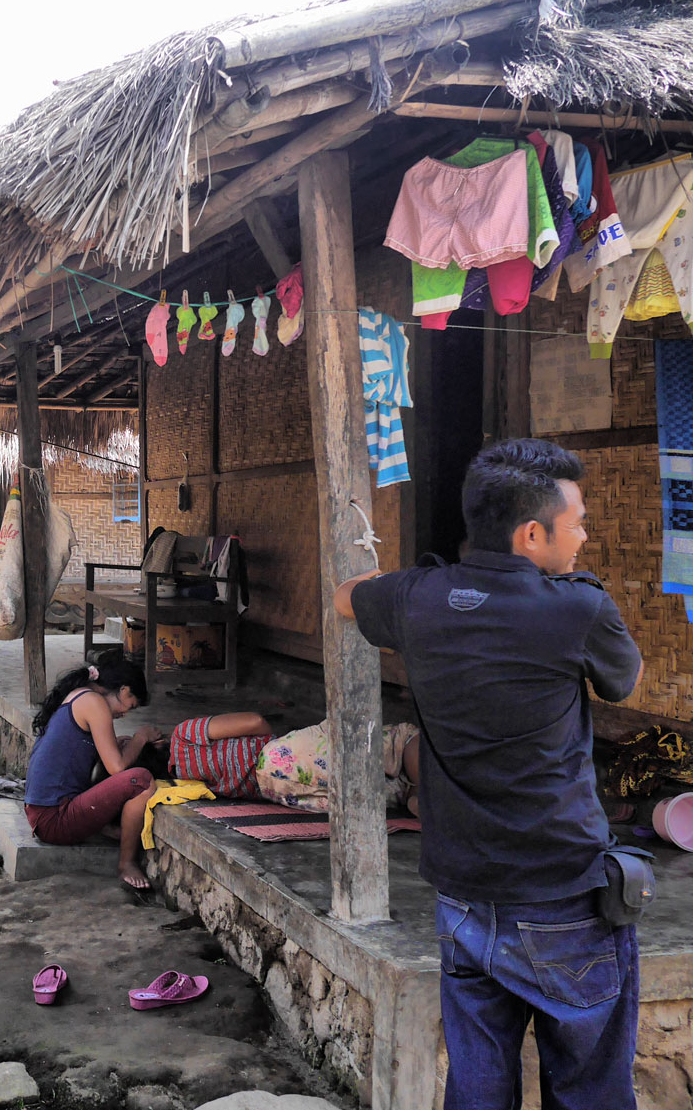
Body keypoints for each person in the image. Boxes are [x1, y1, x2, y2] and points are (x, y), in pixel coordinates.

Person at [337, 438, 642, 1110]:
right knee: (589, 1089)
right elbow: (624, 678)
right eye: (578, 521)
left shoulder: (418, 597)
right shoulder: (577, 608)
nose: (585, 535)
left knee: (476, 1087)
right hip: (563, 896)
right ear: (532, 534)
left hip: (465, 899)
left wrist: (404, 589)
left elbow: (344, 598)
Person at [23, 657, 155, 891]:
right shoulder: (94, 703)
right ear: (123, 690)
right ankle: (126, 863)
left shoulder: (79, 695)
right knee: (141, 780)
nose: (125, 713)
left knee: (120, 758)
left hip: (41, 813)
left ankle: (102, 827)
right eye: (130, 705)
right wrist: (140, 738)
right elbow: (117, 768)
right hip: (54, 820)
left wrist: (117, 744)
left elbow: (78, 751)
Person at [168, 713, 420, 813]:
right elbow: (255, 722)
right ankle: (429, 777)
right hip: (275, 756)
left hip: (278, 792)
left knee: (374, 793)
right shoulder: (181, 736)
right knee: (398, 740)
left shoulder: (181, 777)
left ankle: (417, 799)